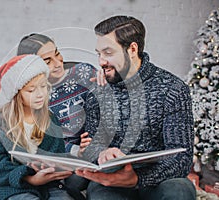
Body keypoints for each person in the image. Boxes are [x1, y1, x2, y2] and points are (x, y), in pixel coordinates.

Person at [76, 15, 196, 200]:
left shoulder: (173, 89)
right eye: (99, 53)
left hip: (160, 179)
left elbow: (182, 158)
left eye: (108, 53)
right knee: (102, 195)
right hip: (112, 180)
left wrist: (137, 179)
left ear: (132, 49)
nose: (101, 61)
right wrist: (101, 152)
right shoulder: (98, 89)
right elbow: (89, 146)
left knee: (180, 190)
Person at [0, 54, 75, 200]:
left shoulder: (50, 119)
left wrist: (57, 167)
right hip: (9, 182)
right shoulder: (0, 121)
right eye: (31, 90)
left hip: (46, 181)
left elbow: (57, 155)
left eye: (43, 87)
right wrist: (30, 178)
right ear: (17, 93)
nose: (40, 95)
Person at [17, 33, 99, 157]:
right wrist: (77, 151)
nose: (58, 63)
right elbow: (40, 140)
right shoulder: (34, 98)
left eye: (56, 54)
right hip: (65, 157)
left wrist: (110, 80)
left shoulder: (85, 73)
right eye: (47, 61)